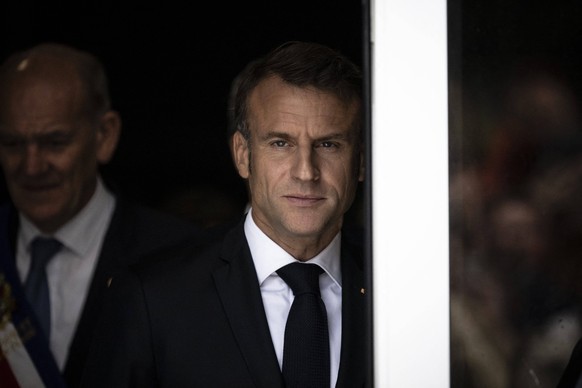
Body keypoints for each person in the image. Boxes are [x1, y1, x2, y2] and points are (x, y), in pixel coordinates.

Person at [81, 40, 369, 387]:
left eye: (328, 144)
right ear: (243, 155)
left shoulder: (406, 284)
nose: (306, 172)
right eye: (280, 143)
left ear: (361, 161)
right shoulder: (151, 297)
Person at [0, 43, 200, 387]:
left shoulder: (181, 257)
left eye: (54, 142)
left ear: (104, 136)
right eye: (13, 144)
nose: (31, 166)